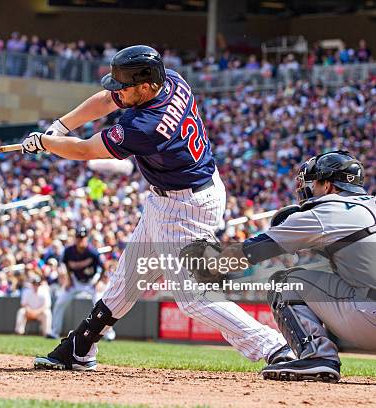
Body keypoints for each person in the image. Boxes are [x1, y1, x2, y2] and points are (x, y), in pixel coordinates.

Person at [23, 45, 290, 371]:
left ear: (146, 86)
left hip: (184, 206)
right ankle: (80, 346)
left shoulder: (145, 126)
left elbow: (83, 151)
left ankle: (276, 347)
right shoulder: (171, 80)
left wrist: (45, 143)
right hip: (180, 194)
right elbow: (107, 100)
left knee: (193, 298)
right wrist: (60, 127)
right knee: (127, 281)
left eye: (125, 86)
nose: (118, 91)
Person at [209, 151, 376, 382]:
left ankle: (317, 356)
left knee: (284, 282)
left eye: (313, 183)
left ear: (327, 185)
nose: (309, 189)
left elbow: (252, 252)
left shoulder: (326, 211)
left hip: (370, 318)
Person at [47, 226, 115, 341]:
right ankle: (54, 332)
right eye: (78, 237)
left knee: (102, 306)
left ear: (86, 238)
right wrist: (68, 279)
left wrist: (99, 282)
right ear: (75, 238)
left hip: (91, 281)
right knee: (60, 302)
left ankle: (109, 335)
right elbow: (66, 265)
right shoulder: (69, 251)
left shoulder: (92, 251)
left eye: (83, 237)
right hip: (76, 281)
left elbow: (104, 267)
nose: (80, 240)